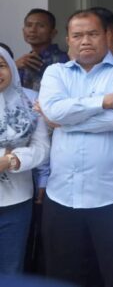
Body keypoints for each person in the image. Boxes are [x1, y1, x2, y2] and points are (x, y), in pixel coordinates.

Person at [38, 9, 113, 287]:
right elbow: (54, 111)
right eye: (78, 35)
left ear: (108, 36)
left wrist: (65, 119)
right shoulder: (55, 72)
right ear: (68, 40)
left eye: (92, 34)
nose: (85, 41)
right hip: (62, 197)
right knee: (63, 277)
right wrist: (104, 101)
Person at [0, 45, 50, 275]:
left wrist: (12, 160)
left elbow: (41, 148)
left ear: (11, 67)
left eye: (1, 66)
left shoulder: (30, 103)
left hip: (16, 202)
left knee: (11, 269)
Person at [16, 9, 69, 92]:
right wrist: (13, 67)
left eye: (40, 26)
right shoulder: (22, 62)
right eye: (29, 25)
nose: (32, 30)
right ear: (23, 31)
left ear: (53, 33)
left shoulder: (64, 60)